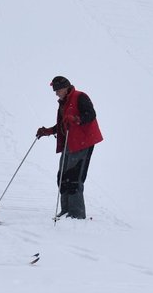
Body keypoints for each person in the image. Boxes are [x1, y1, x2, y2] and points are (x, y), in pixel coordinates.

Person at [36, 76, 103, 219]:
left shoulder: (80, 97)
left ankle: (76, 214)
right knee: (62, 177)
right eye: (55, 91)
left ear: (66, 87)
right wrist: (47, 131)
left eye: (58, 90)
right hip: (69, 143)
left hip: (82, 142)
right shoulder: (63, 103)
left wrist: (77, 119)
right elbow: (63, 125)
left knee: (74, 177)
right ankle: (66, 211)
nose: (56, 93)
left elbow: (91, 114)